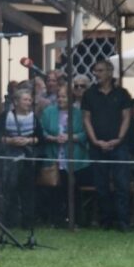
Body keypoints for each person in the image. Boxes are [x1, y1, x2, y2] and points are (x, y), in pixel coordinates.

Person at [82, 59, 133, 230]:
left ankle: (123, 221)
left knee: (122, 185)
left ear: (110, 72)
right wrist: (95, 140)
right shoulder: (89, 94)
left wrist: (119, 138)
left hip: (119, 146)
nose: (97, 73)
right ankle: (105, 221)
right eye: (95, 70)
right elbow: (86, 119)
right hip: (97, 146)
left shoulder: (122, 93)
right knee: (101, 186)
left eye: (101, 70)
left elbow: (127, 117)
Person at [0, 89, 42, 230]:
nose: (28, 102)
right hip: (8, 159)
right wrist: (9, 140)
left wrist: (28, 141)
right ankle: (9, 221)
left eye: (29, 100)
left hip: (28, 159)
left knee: (27, 192)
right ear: (16, 102)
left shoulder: (34, 118)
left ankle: (27, 222)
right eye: (25, 100)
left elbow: (40, 138)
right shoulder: (5, 117)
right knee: (10, 190)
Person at [40, 86, 89, 226]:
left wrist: (71, 137)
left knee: (73, 189)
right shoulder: (48, 112)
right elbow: (41, 131)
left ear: (71, 99)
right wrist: (53, 138)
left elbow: (85, 134)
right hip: (54, 156)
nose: (61, 99)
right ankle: (56, 220)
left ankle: (76, 220)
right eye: (59, 97)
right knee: (56, 190)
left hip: (75, 158)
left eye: (64, 97)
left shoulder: (79, 114)